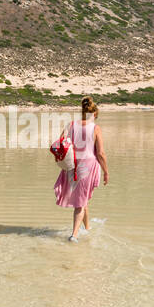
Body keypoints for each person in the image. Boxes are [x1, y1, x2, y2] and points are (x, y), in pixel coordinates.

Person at [54, 96, 109, 242]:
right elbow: (101, 153)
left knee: (82, 198)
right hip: (88, 166)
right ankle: (74, 235)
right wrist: (106, 172)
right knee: (80, 203)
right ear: (95, 114)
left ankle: (88, 227)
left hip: (72, 165)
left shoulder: (71, 125)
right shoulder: (96, 128)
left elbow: (60, 144)